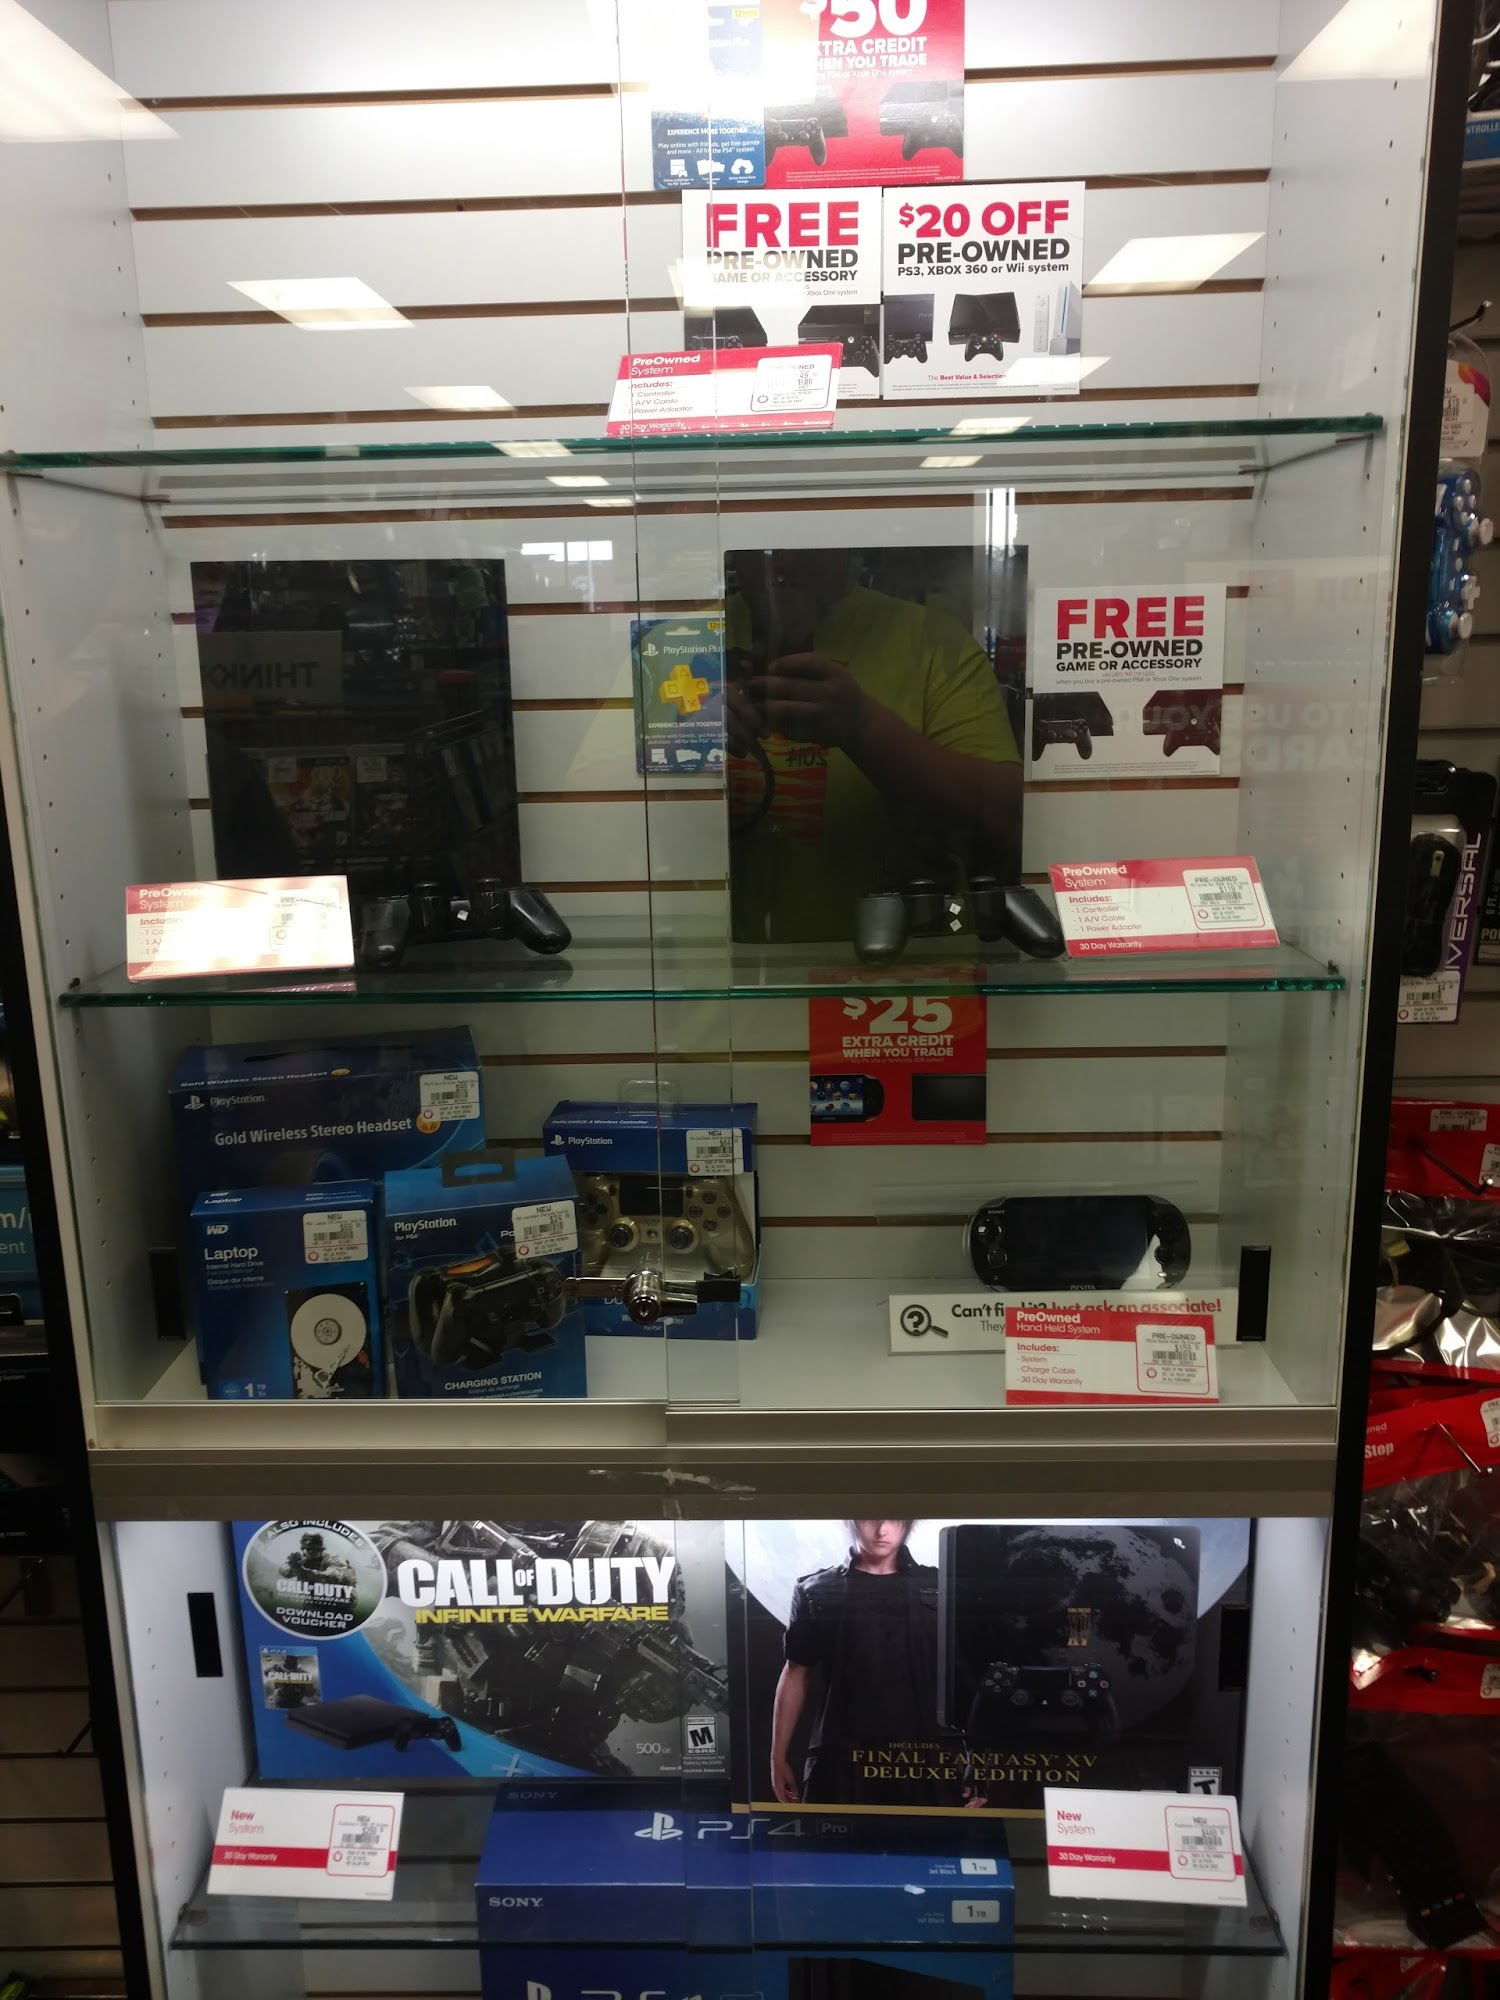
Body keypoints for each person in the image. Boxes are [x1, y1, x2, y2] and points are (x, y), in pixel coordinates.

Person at [725, 549, 1022, 945]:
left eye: (811, 541)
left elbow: (1005, 818)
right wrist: (686, 741)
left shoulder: (932, 641)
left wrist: (862, 727)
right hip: (722, 968)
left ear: (849, 546)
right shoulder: (681, 638)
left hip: (903, 969)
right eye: (765, 542)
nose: (785, 560)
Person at [770, 1518, 958, 1808]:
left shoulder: (941, 1585)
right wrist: (777, 1757)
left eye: (893, 1518)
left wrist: (978, 1760)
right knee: (837, 1837)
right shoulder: (816, 1589)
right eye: (871, 1517)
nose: (882, 1529)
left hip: (927, 1756)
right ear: (849, 1521)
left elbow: (965, 1674)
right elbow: (796, 1673)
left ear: (908, 1522)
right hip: (841, 1757)